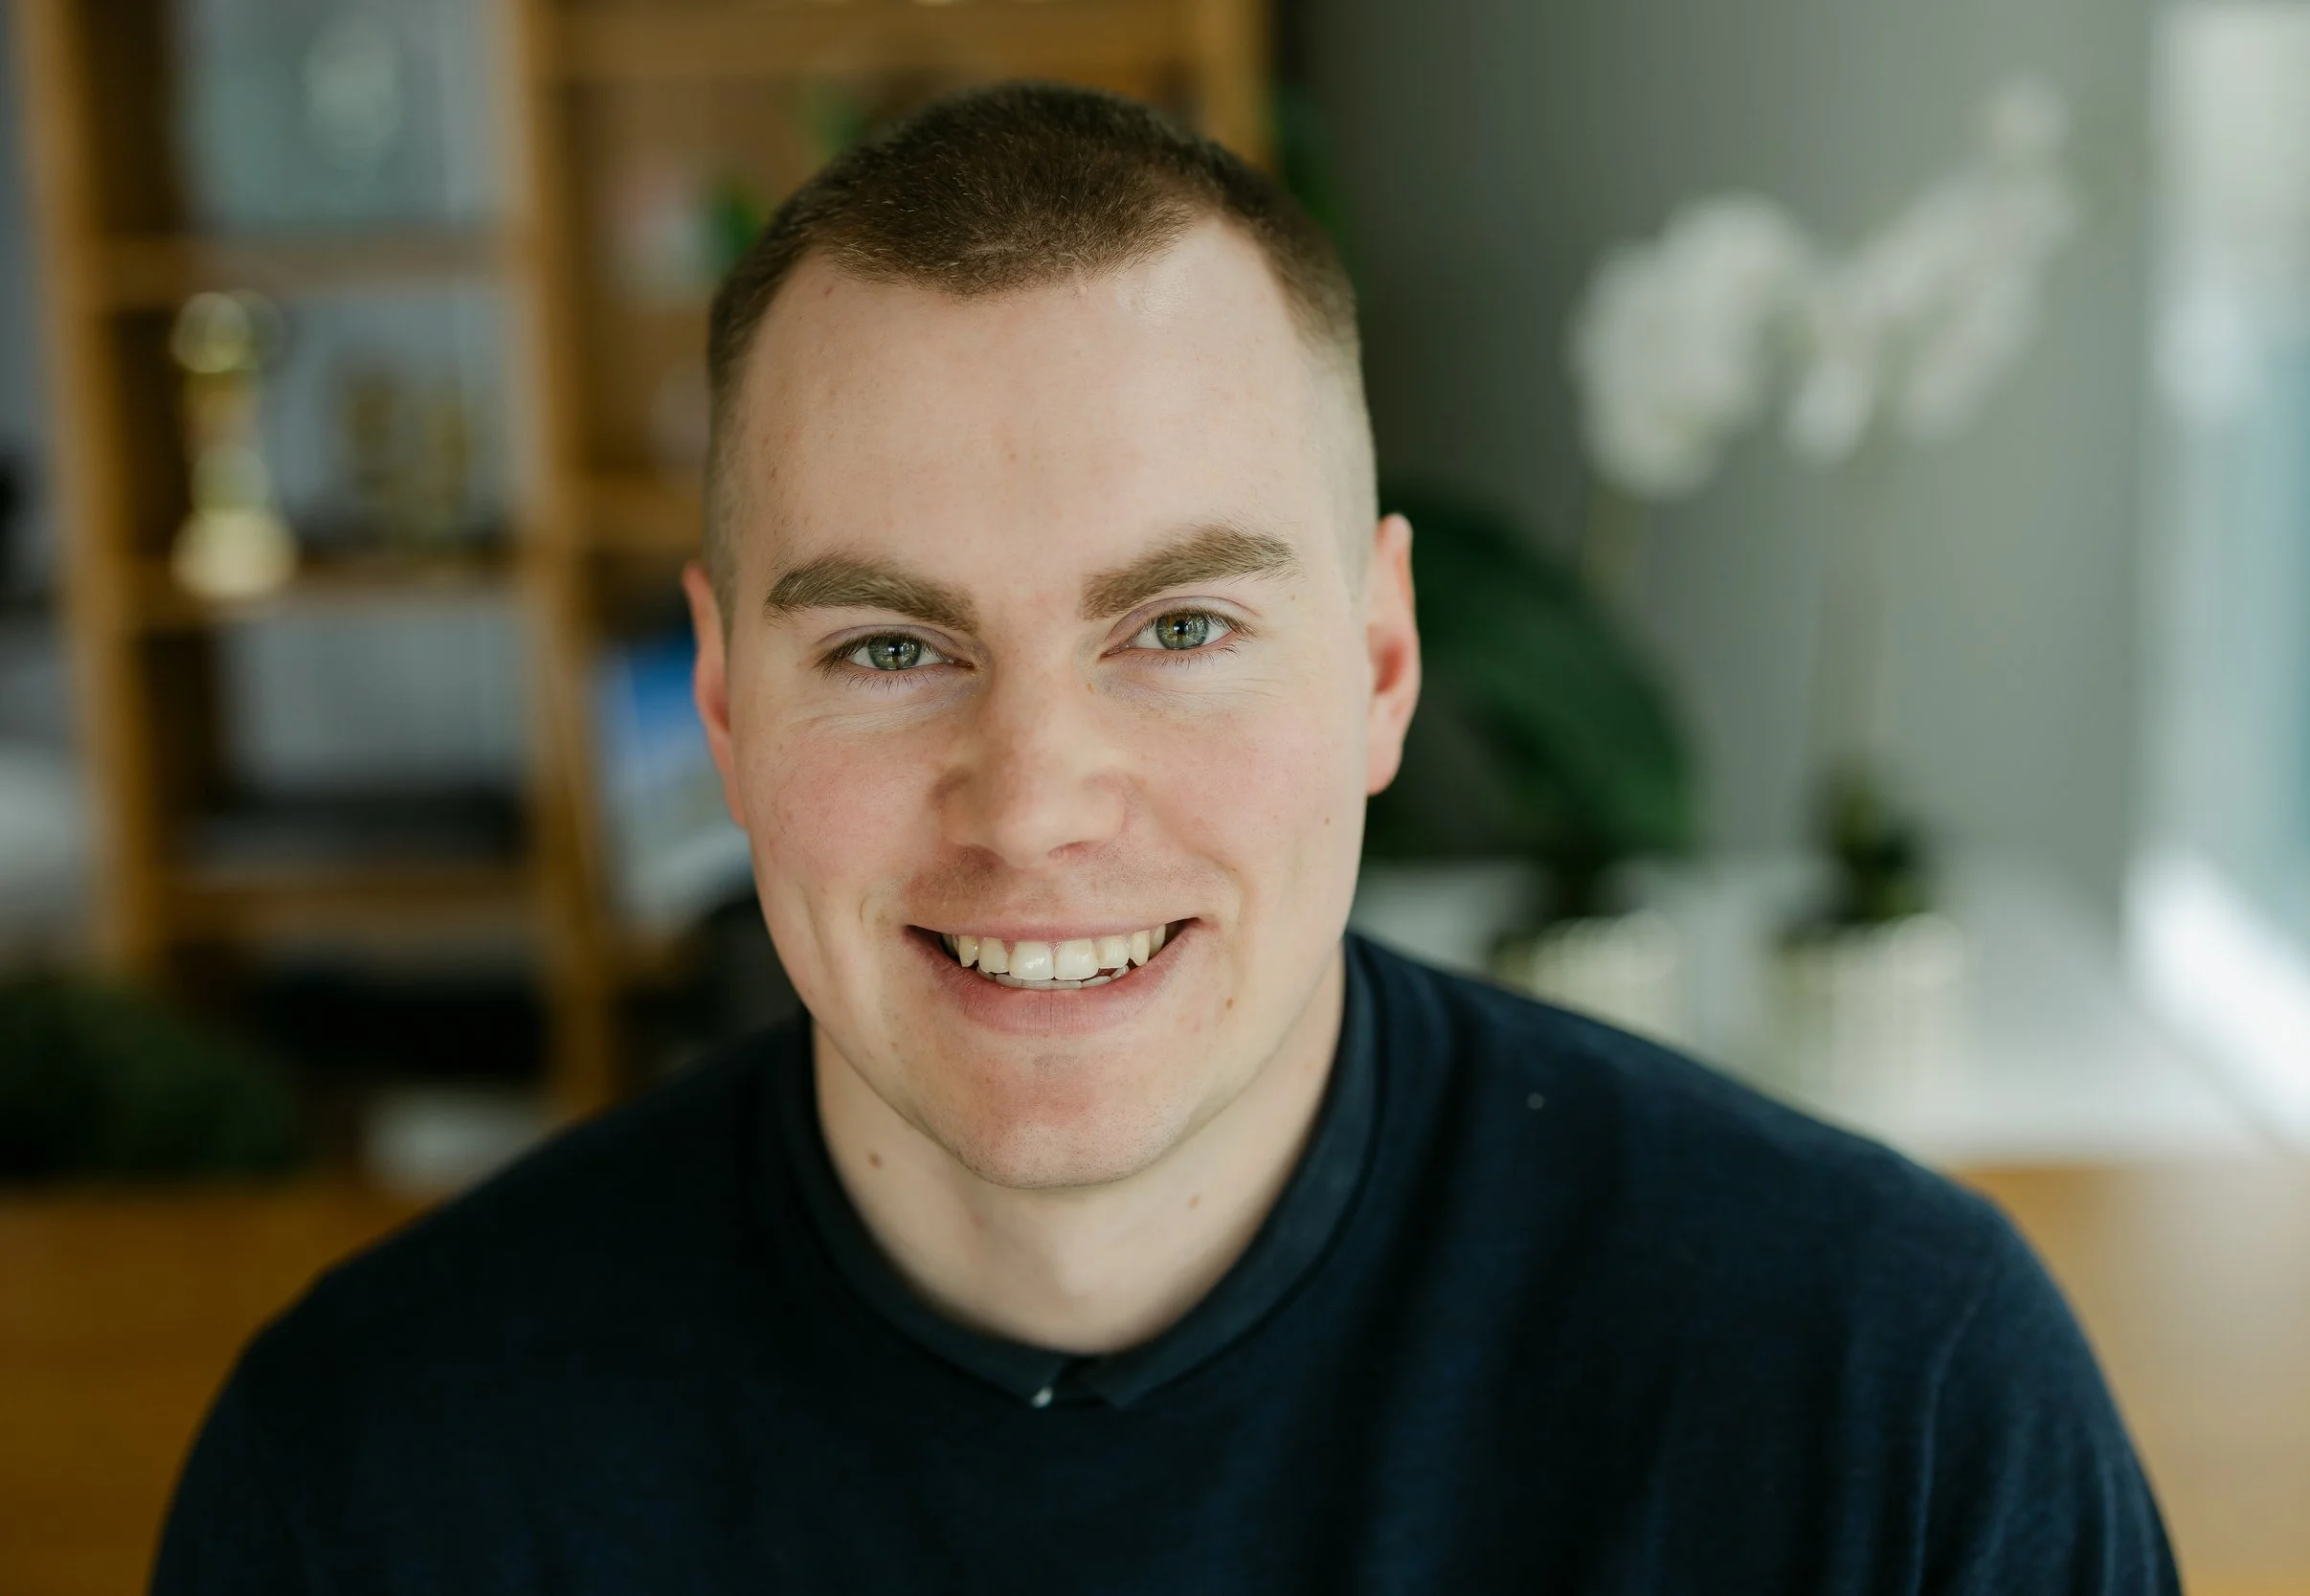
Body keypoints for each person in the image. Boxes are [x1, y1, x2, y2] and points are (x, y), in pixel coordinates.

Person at [154, 82, 2179, 1594]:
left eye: (1180, 628)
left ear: (1379, 660)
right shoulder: (376, 1482)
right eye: (884, 644)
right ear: (721, 708)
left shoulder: (1886, 1409)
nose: (1034, 801)